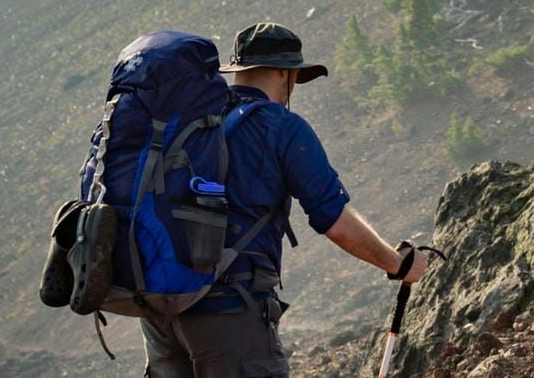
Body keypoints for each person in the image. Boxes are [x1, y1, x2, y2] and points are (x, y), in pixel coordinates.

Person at [140, 22, 427, 378]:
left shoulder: (187, 124)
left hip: (161, 309)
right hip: (229, 311)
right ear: (283, 72)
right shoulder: (280, 127)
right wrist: (397, 264)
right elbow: (335, 221)